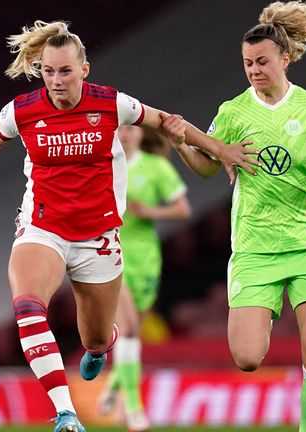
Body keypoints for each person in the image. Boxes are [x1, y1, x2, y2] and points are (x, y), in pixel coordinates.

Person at [0, 20, 249, 432]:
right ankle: (65, 413)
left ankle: (103, 345)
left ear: (84, 69)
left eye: (65, 71)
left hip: (98, 239)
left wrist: (218, 148)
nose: (56, 80)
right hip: (42, 228)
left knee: (94, 338)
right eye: (48, 71)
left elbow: (169, 122)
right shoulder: (22, 110)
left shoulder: (112, 104)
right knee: (28, 306)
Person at [160, 2, 306, 431]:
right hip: (255, 248)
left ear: (284, 59)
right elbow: (207, 167)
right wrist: (182, 145)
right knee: (247, 357)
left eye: (261, 62)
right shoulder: (233, 113)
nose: (254, 70)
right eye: (247, 63)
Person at [96, 126, 191, 431]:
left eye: (130, 128)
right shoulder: (101, 163)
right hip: (109, 255)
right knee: (131, 330)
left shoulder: (156, 167)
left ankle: (115, 383)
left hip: (145, 258)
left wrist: (149, 210)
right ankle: (134, 410)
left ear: (140, 134)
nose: (124, 134)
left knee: (131, 333)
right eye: (118, 128)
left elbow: (182, 209)